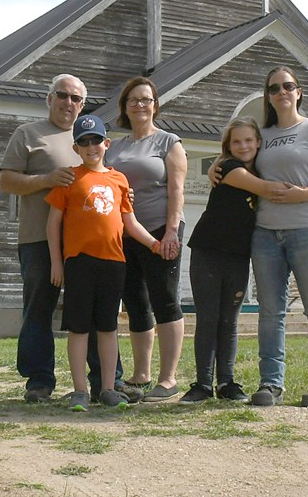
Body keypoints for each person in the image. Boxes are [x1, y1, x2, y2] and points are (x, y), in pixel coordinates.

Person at [0, 74, 139, 404]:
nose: (69, 102)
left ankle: (107, 382)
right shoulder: (28, 135)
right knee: (39, 308)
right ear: (49, 99)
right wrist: (46, 179)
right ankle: (39, 380)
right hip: (39, 238)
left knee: (94, 314)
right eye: (62, 95)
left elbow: (104, 183)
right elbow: (6, 181)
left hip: (89, 244)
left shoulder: (90, 135)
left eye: (76, 98)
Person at [46, 115, 166, 411]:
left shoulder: (118, 180)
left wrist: (153, 242)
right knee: (78, 329)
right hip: (78, 263)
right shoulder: (69, 179)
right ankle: (79, 391)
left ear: (106, 144)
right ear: (76, 148)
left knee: (108, 328)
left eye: (96, 140)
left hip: (114, 263)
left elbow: (130, 221)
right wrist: (56, 263)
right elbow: (53, 225)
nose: (91, 146)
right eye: (84, 142)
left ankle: (109, 388)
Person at [248, 65, 308, 408]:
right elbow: (238, 158)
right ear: (268, 96)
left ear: (299, 91)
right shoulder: (262, 135)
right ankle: (271, 383)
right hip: (265, 232)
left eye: (287, 86)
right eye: (274, 88)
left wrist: (304, 193)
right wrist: (219, 166)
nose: (281, 92)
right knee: (270, 310)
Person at [180, 116, 288, 404]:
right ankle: (202, 384)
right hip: (208, 251)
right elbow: (267, 189)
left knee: (230, 321)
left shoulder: (260, 172)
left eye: (249, 140)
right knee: (209, 318)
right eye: (237, 141)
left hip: (239, 256)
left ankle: (226, 382)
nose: (244, 146)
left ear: (258, 142)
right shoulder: (228, 168)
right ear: (228, 146)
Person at [104, 76, 187, 402]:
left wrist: (171, 231)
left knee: (164, 300)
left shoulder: (169, 142)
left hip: (160, 229)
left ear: (155, 105)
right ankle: (141, 374)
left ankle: (168, 379)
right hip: (124, 234)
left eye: (146, 99)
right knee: (136, 303)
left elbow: (176, 190)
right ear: (124, 106)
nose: (140, 104)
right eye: (133, 100)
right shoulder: (117, 145)